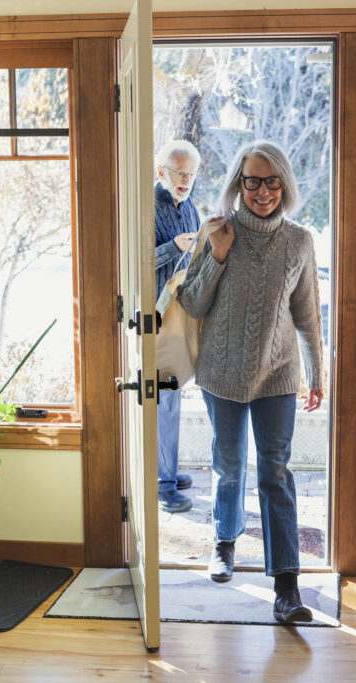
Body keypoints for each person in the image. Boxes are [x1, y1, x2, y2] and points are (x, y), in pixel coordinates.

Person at [178, 140, 325, 624]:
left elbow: (307, 316)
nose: (262, 191)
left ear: (284, 184)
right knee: (228, 465)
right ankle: (225, 540)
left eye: (271, 181)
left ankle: (286, 584)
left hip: (279, 373)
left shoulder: (300, 241)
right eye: (252, 181)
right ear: (238, 184)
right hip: (222, 372)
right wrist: (217, 256)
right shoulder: (217, 230)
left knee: (275, 473)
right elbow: (193, 304)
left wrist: (318, 374)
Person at [154, 139, 201, 514]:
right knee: (162, 395)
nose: (186, 180)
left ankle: (165, 469)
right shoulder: (145, 207)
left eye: (191, 173)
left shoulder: (191, 209)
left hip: (179, 315)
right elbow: (133, 261)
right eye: (179, 172)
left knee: (172, 395)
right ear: (161, 172)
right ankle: (162, 482)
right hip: (152, 317)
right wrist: (174, 246)